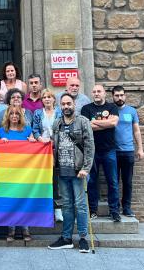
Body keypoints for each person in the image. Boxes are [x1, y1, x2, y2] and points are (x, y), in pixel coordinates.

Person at [46, 93, 95, 253]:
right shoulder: (57, 123)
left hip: (78, 171)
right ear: (60, 106)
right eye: (63, 104)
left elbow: (89, 147)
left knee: (80, 205)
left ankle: (83, 238)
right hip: (62, 171)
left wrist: (86, 168)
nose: (66, 106)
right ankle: (66, 237)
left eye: (69, 103)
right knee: (66, 205)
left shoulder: (83, 122)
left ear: (74, 104)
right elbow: (54, 146)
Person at [81, 84, 121, 222]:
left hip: (109, 150)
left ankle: (114, 211)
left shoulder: (112, 107)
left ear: (104, 93)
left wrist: (95, 122)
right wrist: (106, 122)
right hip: (92, 151)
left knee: (113, 182)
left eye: (99, 91)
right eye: (94, 91)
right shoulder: (86, 108)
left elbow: (114, 123)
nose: (96, 93)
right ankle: (93, 210)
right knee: (92, 181)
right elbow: (87, 127)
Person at [0, 105, 36, 242]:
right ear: (7, 116)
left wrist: (33, 142)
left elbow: (35, 148)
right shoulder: (1, 131)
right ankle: (11, 229)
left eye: (17, 114)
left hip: (24, 172)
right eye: (12, 113)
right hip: (8, 172)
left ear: (21, 116)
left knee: (23, 200)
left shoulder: (27, 130)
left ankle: (26, 229)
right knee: (11, 201)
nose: (14, 116)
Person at [112, 85, 144, 217]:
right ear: (112, 96)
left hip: (128, 151)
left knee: (127, 181)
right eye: (117, 95)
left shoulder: (131, 111)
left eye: (121, 95)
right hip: (112, 152)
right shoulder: (109, 110)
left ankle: (127, 208)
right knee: (113, 182)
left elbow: (136, 131)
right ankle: (115, 208)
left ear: (125, 96)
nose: (119, 98)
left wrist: (140, 148)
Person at [33, 88, 63, 222]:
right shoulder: (38, 113)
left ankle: (57, 210)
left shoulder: (60, 113)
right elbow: (35, 130)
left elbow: (63, 129)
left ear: (53, 99)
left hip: (58, 149)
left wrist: (54, 142)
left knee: (56, 180)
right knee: (44, 178)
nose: (46, 99)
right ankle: (43, 209)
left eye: (49, 97)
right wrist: (41, 140)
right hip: (42, 149)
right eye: (44, 97)